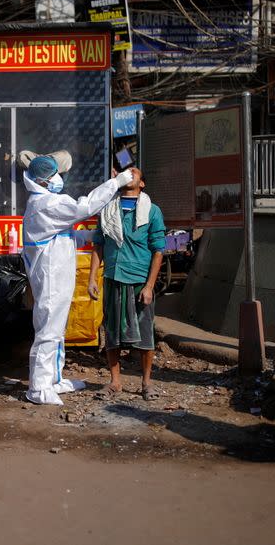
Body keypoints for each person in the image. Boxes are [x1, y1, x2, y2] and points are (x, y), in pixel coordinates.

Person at [22, 154, 136, 406]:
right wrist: (115, 183)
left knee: (57, 330)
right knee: (48, 331)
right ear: (42, 181)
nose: (59, 178)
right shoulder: (47, 204)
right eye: (55, 175)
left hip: (57, 276)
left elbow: (65, 234)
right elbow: (84, 207)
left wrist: (95, 235)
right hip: (51, 278)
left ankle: (54, 378)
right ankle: (39, 388)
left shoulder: (45, 203)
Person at [88, 168, 165, 401]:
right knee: (112, 333)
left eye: (135, 172)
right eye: (126, 172)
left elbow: (158, 251)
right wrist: (92, 277)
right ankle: (115, 382)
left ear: (142, 184)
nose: (130, 173)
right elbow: (98, 246)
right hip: (112, 277)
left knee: (145, 336)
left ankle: (147, 383)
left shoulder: (151, 211)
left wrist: (150, 285)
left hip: (140, 281)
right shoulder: (107, 210)